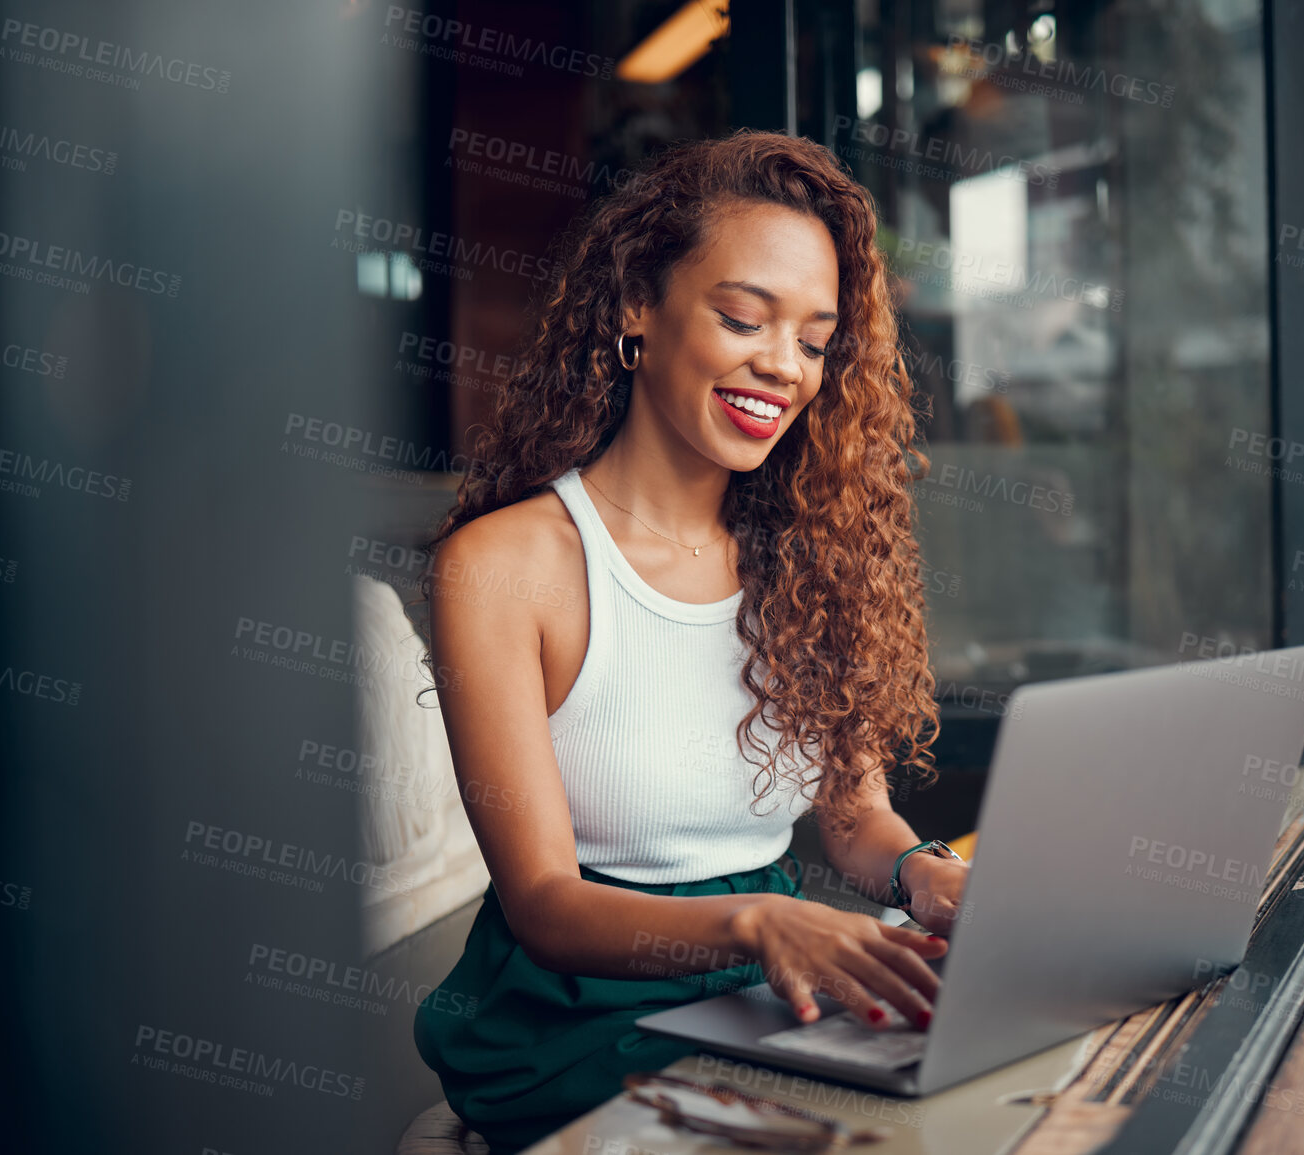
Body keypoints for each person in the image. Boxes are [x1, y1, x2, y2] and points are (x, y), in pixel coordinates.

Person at [412, 129, 968, 1155]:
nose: (782, 368)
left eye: (814, 341)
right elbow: (542, 904)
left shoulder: (812, 554)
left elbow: (853, 819)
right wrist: (759, 921)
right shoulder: (506, 565)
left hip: (769, 991)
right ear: (637, 306)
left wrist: (922, 875)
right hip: (576, 1014)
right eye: (744, 318)